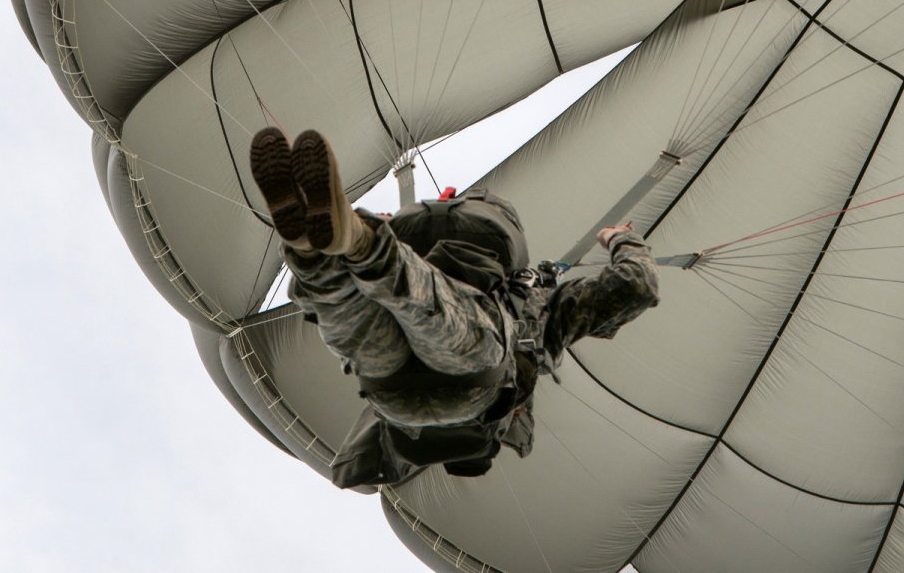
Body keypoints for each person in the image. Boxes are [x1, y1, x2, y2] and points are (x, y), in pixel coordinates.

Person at [250, 125, 661, 488]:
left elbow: (636, 286)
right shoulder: (543, 303)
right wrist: (621, 239)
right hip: (409, 397)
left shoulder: (530, 298)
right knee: (360, 312)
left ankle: (342, 247)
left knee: (380, 305)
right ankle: (325, 251)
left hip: (452, 375)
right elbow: (638, 285)